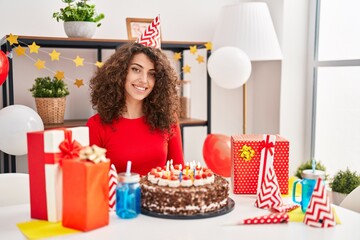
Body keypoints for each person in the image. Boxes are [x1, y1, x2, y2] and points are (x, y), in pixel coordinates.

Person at [86, 42, 184, 176]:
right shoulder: (96, 125)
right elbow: (93, 182)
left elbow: (179, 174)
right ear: (120, 72)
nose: (144, 80)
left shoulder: (168, 119)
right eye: (136, 69)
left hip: (160, 197)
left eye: (152, 74)